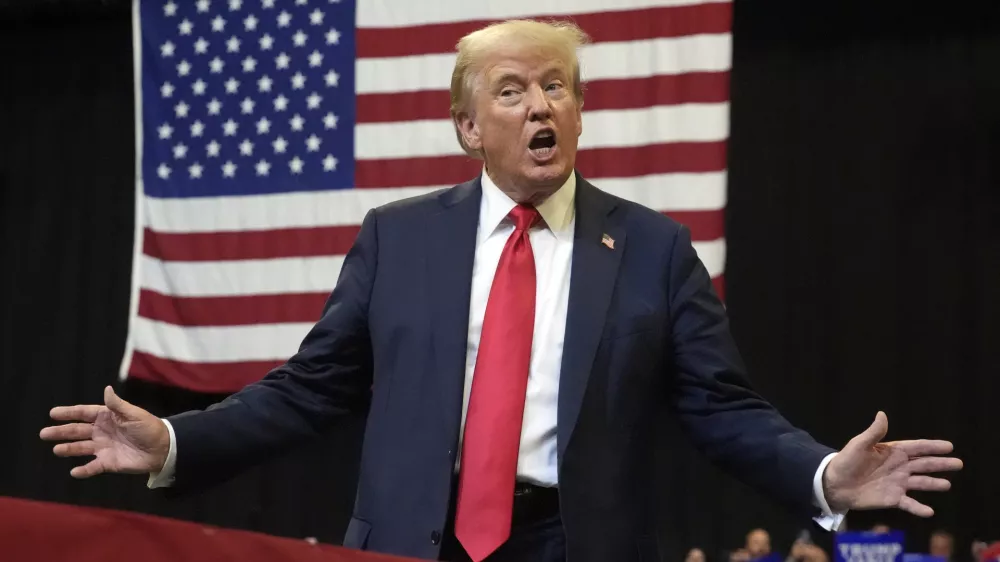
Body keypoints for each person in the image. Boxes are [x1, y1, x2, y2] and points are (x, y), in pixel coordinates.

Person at [40, 19, 962, 562]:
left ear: (579, 112)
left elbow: (721, 411)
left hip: (575, 542)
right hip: (413, 539)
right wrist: (172, 440)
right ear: (467, 127)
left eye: (557, 87)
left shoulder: (652, 249)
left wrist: (821, 474)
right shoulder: (397, 240)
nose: (540, 106)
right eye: (513, 90)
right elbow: (308, 390)